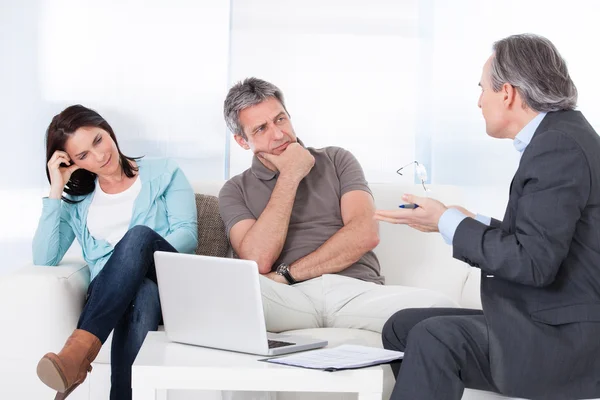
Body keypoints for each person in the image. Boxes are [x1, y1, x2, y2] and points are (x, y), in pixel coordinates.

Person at [376, 34, 600, 400]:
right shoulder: (561, 135)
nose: (479, 101)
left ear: (508, 92)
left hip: (567, 344)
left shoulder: (558, 146)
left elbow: (534, 263)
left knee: (434, 338)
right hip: (555, 321)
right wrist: (464, 219)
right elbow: (545, 242)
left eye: (482, 89)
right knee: (401, 326)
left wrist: (448, 223)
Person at [219, 77, 455, 335]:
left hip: (355, 291)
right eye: (261, 129)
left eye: (280, 119)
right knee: (224, 294)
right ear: (243, 142)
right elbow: (257, 260)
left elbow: (365, 234)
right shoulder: (235, 190)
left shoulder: (336, 159)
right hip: (286, 299)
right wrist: (290, 174)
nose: (278, 134)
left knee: (441, 310)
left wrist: (288, 274)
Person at [33, 105, 198, 400]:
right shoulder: (78, 201)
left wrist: (133, 253)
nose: (99, 156)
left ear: (107, 129)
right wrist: (56, 189)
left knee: (139, 239)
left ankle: (76, 356)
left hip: (169, 279)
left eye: (98, 140)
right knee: (141, 291)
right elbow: (44, 259)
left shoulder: (164, 171)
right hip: (116, 291)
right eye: (83, 155)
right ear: (72, 162)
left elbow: (187, 235)